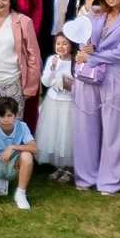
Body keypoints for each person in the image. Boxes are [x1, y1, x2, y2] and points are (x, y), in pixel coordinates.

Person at [71, 0, 120, 195]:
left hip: (114, 76)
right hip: (88, 78)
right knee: (86, 127)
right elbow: (83, 38)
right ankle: (86, 176)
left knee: (114, 129)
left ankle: (111, 180)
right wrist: (85, 48)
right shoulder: (95, 13)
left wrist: (92, 56)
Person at [0, 96, 37, 209]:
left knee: (27, 155)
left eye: (9, 115)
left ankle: (20, 194)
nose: (6, 119)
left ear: (16, 115)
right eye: (2, 116)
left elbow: (34, 148)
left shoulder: (22, 126)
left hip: (12, 164)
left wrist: (12, 147)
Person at [34, 32, 76, 185]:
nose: (61, 47)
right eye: (58, 43)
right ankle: (59, 165)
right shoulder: (52, 59)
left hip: (68, 102)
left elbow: (77, 84)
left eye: (65, 43)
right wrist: (52, 69)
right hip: (53, 101)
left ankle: (69, 167)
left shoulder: (74, 62)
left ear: (71, 46)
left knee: (67, 135)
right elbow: (45, 82)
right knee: (55, 133)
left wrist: (69, 84)